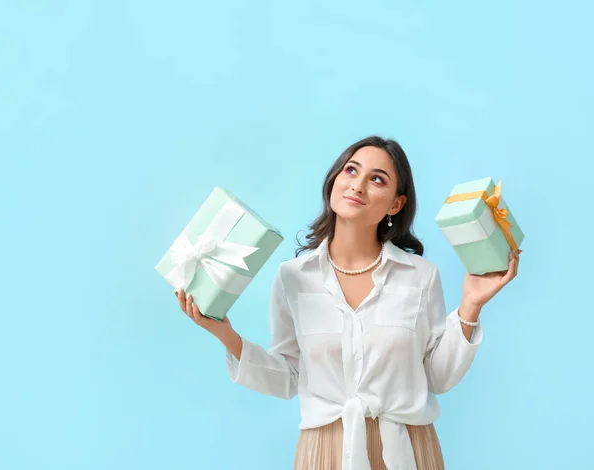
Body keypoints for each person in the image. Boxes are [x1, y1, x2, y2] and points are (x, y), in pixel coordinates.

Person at [175, 136, 521, 470]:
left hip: (407, 447)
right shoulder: (293, 277)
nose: (358, 185)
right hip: (326, 451)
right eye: (351, 171)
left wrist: (470, 307)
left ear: (396, 204)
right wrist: (226, 336)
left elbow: (437, 377)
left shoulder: (420, 276)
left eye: (377, 179)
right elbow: (288, 377)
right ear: (334, 181)